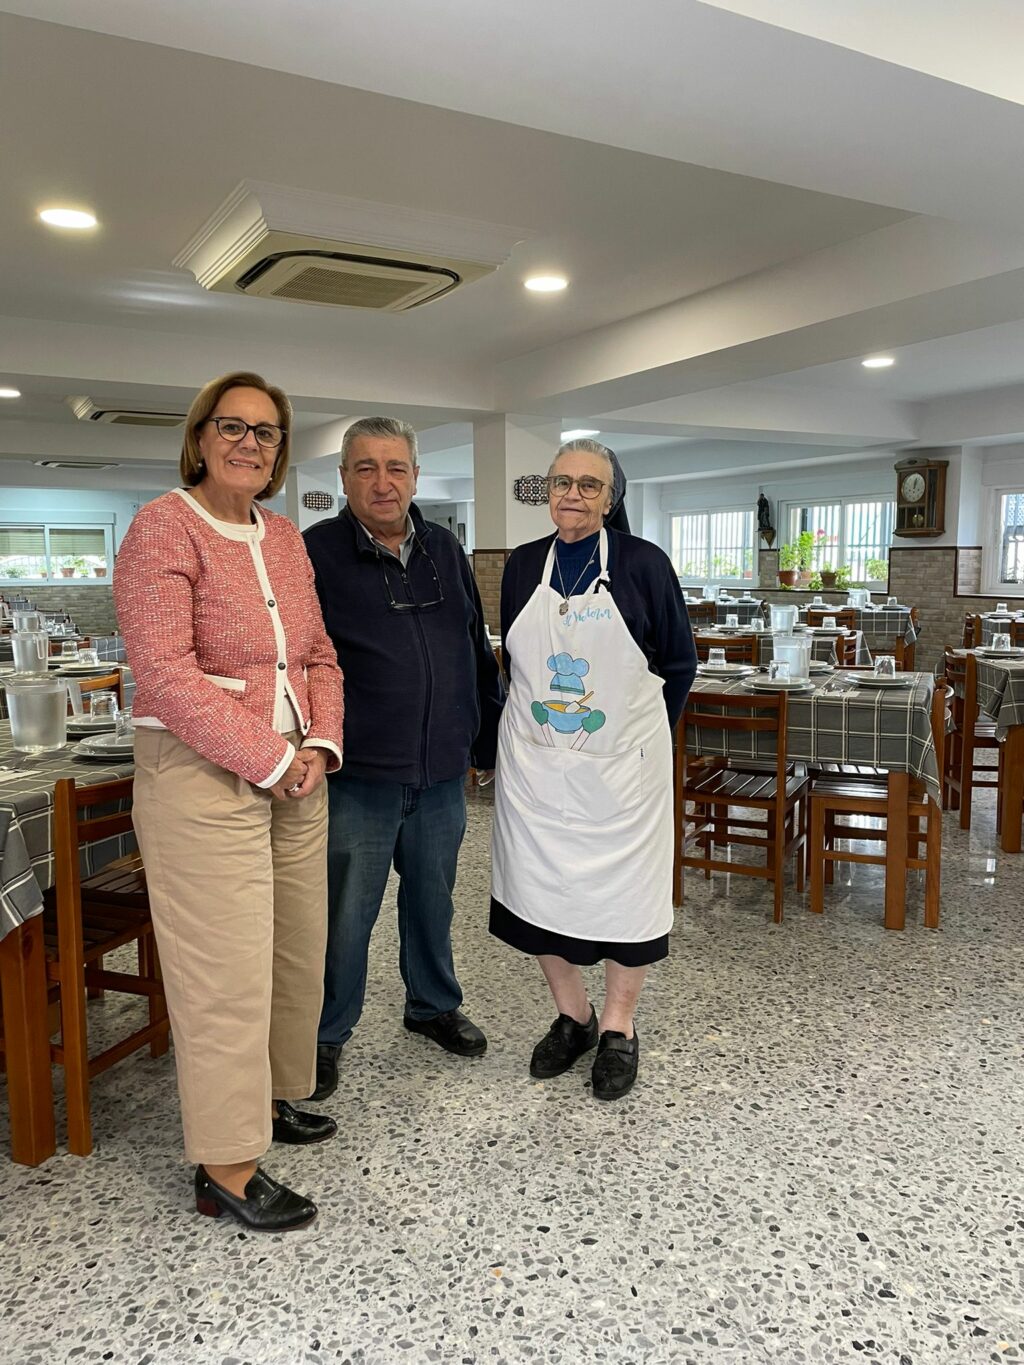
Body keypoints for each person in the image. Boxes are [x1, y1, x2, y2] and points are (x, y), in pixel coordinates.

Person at [113, 371, 344, 1232]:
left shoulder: (282, 537)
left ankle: (273, 1100)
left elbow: (318, 652)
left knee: (292, 953)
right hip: (204, 775)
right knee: (225, 974)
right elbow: (167, 675)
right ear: (201, 436)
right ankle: (226, 1165)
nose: (250, 442)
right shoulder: (162, 527)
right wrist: (272, 754)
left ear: (281, 450)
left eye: (268, 431)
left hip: (296, 771)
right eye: (233, 426)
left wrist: (318, 744)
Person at [490, 438, 696, 1100]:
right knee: (534, 892)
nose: (572, 494)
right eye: (560, 482)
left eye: (588, 484)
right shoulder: (523, 566)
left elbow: (680, 663)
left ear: (612, 497)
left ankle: (618, 1027)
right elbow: (514, 662)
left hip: (622, 773)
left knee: (625, 902)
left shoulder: (643, 565)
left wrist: (643, 740)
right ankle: (572, 1014)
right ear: (546, 491)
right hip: (536, 771)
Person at [304, 416, 502, 1099]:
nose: (382, 482)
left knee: (433, 902)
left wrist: (484, 737)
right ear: (343, 479)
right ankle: (325, 1035)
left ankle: (433, 1006)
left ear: (416, 475)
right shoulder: (315, 554)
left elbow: (473, 646)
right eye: (365, 467)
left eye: (395, 467)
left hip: (441, 771)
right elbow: (302, 662)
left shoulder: (445, 548)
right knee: (343, 916)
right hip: (356, 775)